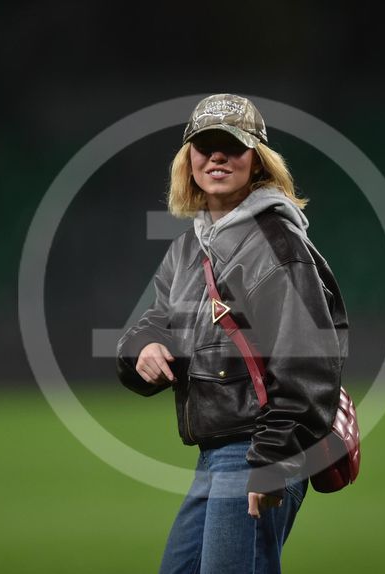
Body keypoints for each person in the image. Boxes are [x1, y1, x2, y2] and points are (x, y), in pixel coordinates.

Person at [117, 94, 348, 573]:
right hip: (216, 457)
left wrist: (272, 461)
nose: (217, 156)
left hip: (257, 449)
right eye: (205, 146)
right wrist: (144, 348)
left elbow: (309, 363)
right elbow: (154, 322)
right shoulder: (189, 248)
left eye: (233, 145)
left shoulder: (277, 243)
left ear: (257, 161)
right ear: (189, 160)